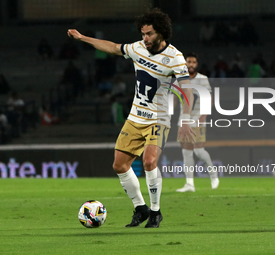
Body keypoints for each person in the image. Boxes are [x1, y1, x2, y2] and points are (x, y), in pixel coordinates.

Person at [68, 8, 195, 228]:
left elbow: (188, 90)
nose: (144, 38)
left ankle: (155, 212)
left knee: (149, 161)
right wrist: (82, 38)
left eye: (149, 34)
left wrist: (186, 120)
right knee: (119, 165)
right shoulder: (137, 48)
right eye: (143, 33)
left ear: (161, 33)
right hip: (135, 116)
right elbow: (113, 47)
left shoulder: (175, 57)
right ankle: (141, 208)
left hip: (158, 118)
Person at [176, 52, 219, 192]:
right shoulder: (179, 79)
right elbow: (175, 99)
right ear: (185, 63)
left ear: (197, 64)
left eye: (194, 62)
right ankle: (190, 184)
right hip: (184, 121)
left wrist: (203, 117)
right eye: (189, 62)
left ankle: (213, 174)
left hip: (197, 120)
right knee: (186, 152)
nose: (191, 65)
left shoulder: (202, 79)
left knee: (199, 151)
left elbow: (209, 100)